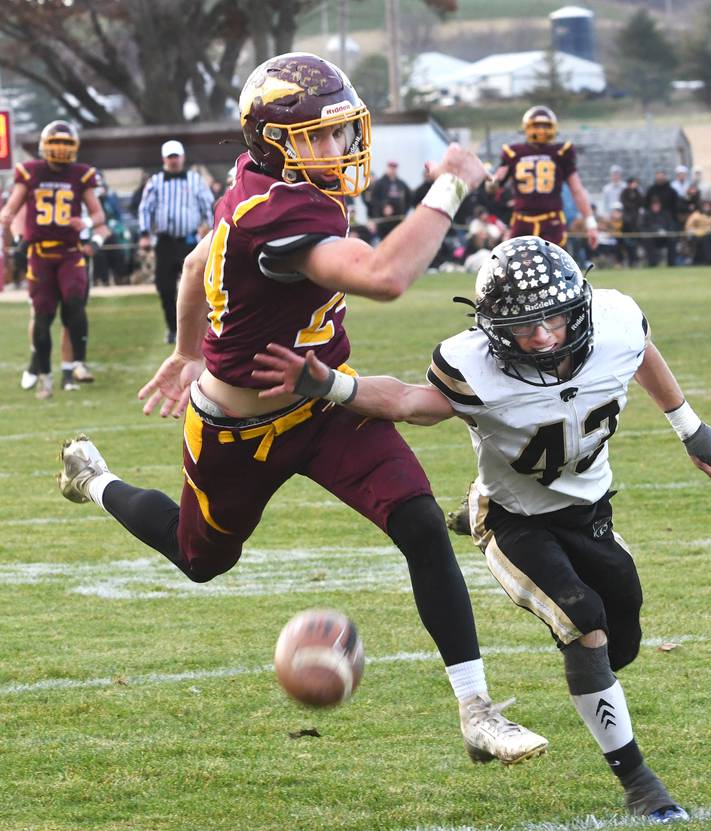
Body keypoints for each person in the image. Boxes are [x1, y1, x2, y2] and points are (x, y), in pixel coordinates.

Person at [57, 52, 547, 766]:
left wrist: (188, 348)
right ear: (273, 143)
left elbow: (195, 266)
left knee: (419, 521)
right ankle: (94, 479)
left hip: (324, 399)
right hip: (240, 432)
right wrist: (450, 184)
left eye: (340, 130)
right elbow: (386, 277)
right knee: (199, 558)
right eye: (318, 134)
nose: (339, 145)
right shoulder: (278, 210)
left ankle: (477, 711)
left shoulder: (267, 184)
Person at [252, 235, 711, 823]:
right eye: (522, 326)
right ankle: (641, 784)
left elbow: (641, 353)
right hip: (515, 518)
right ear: (493, 328)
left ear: (578, 308)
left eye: (553, 320)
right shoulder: (473, 366)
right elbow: (410, 401)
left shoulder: (616, 320)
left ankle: (502, 546)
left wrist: (692, 429)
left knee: (623, 641)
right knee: (584, 622)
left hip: (589, 509)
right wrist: (333, 385)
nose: (542, 337)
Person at [0, 120, 109, 399]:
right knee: (43, 315)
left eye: (65, 144)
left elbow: (98, 214)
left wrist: (85, 222)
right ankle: (44, 376)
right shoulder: (31, 171)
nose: (60, 149)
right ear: (44, 146)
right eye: (56, 143)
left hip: (70, 251)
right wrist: (14, 232)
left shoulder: (81, 174)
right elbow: (10, 210)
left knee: (74, 300)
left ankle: (77, 364)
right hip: (39, 253)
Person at [137, 139, 215, 344]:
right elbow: (145, 209)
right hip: (165, 241)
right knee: (165, 287)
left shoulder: (195, 180)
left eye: (176, 156)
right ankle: (173, 328)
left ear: (183, 157)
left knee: (198, 286)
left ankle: (204, 327)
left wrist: (212, 229)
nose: (173, 160)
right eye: (170, 157)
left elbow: (208, 205)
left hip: (190, 241)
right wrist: (144, 234)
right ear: (164, 159)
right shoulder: (155, 182)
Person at [492, 105, 599, 250]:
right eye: (537, 125)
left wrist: (591, 224)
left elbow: (577, 190)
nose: (541, 130)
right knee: (517, 262)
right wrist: (495, 181)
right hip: (522, 222)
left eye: (546, 125)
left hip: (551, 222)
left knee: (554, 263)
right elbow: (491, 190)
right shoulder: (513, 153)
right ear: (527, 127)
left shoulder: (561, 152)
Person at [369, 160, 412, 240]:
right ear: (387, 168)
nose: (392, 169)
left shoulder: (401, 183)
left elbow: (409, 198)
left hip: (397, 220)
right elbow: (373, 200)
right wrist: (383, 207)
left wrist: (404, 211)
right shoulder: (379, 183)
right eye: (391, 167)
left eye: (394, 167)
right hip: (383, 221)